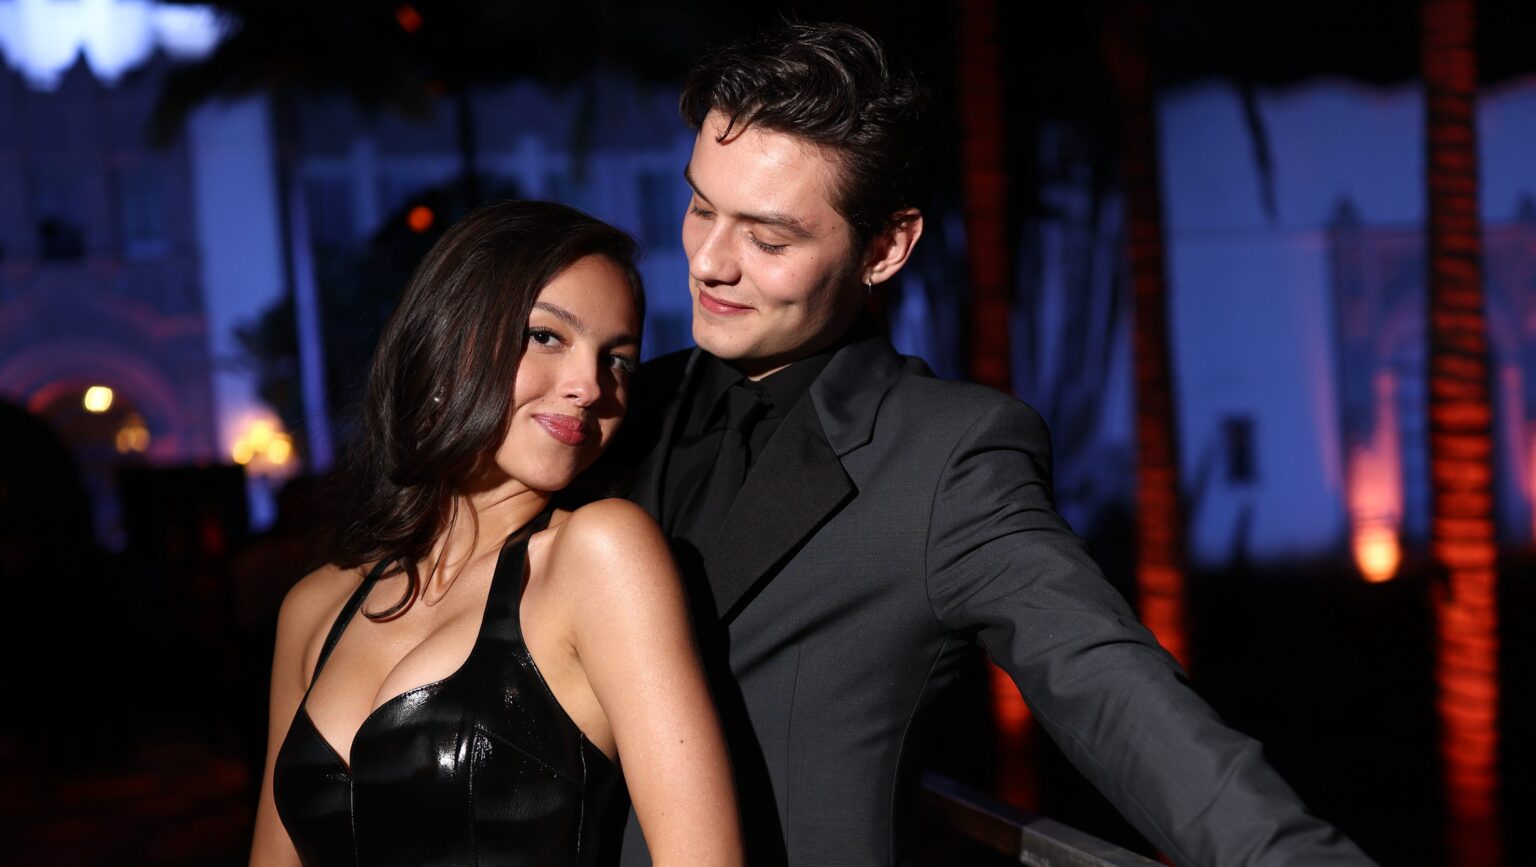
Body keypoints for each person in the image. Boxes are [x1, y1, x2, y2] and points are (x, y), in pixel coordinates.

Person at [604, 22, 1377, 867]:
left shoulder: (947, 458)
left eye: (768, 238)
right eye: (701, 207)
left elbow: (1108, 686)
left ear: (886, 248)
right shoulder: (612, 406)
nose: (708, 262)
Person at [249, 201, 742, 866]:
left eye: (618, 361)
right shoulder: (314, 608)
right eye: (547, 336)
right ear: (453, 337)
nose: (590, 386)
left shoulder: (600, 555)